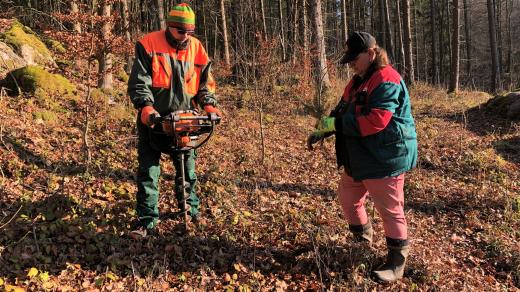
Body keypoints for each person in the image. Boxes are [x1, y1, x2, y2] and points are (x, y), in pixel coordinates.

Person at [307, 31, 418, 282]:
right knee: (348, 199)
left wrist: (336, 126)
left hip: (385, 157)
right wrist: (322, 130)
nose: (351, 65)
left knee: (390, 210)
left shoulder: (387, 78)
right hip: (359, 157)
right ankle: (361, 244)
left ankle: (396, 263)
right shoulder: (358, 80)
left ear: (370, 54)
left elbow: (376, 121)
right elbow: (341, 110)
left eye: (354, 59)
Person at [127, 3, 221, 239]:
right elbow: (140, 81)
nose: (186, 36)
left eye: (190, 32)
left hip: (185, 121)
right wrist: (145, 107)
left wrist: (209, 105)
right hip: (155, 120)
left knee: (187, 170)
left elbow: (204, 84)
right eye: (182, 32)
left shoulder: (197, 49)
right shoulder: (148, 44)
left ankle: (190, 211)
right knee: (149, 171)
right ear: (170, 27)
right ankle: (146, 220)